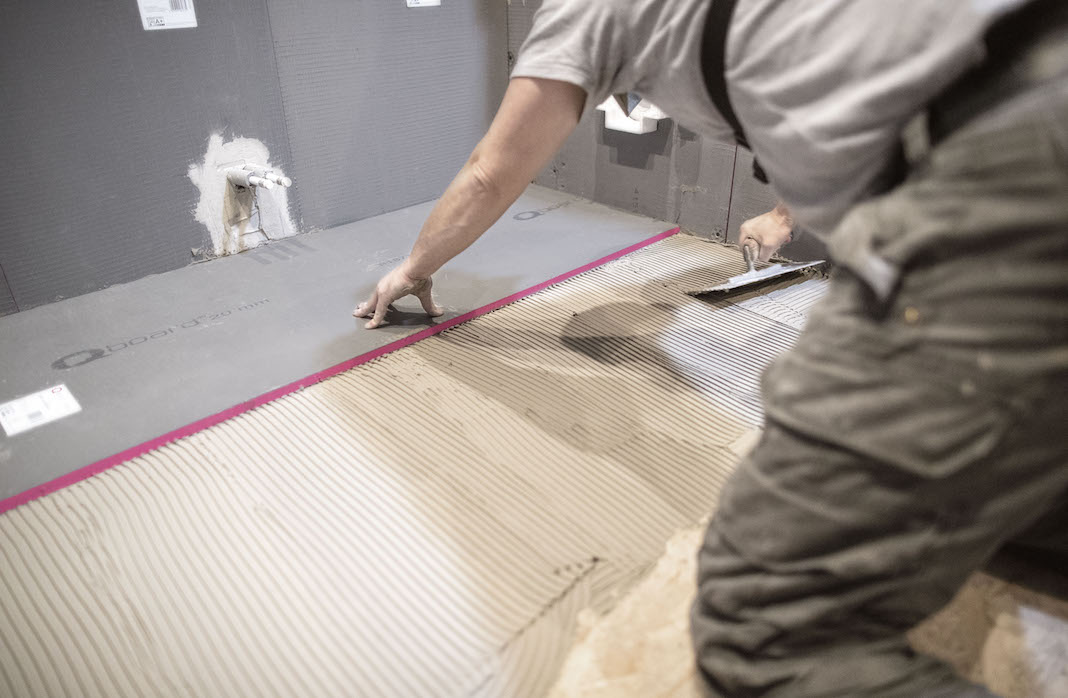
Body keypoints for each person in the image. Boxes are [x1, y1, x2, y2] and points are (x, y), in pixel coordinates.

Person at [356, 0, 1068, 695]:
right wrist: (792, 210)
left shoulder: (585, 10)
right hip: (1026, 87)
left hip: (1009, 181)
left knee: (765, 624)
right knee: (1015, 519)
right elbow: (855, 59)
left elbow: (492, 170)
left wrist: (414, 267)